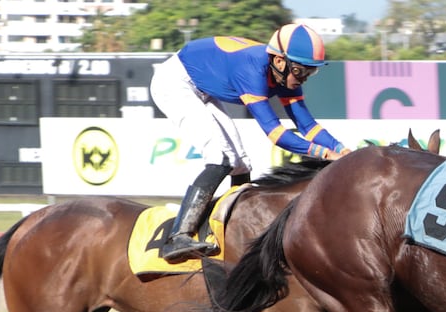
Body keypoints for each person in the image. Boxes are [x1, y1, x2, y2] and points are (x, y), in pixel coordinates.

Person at [149, 23, 350, 263]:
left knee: (241, 164)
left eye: (310, 72)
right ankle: (178, 237)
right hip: (174, 83)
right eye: (300, 70)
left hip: (200, 85)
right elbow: (275, 133)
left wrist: (343, 150)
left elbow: (308, 126)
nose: (304, 78)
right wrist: (326, 155)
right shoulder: (252, 71)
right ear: (279, 62)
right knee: (220, 158)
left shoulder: (287, 77)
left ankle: (234, 229)